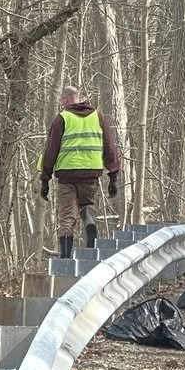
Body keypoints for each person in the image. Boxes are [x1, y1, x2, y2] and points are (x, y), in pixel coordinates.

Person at [40, 86, 120, 258]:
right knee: (87, 205)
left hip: (66, 175)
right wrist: (113, 175)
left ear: (67, 99)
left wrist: (44, 179)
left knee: (67, 217)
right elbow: (110, 146)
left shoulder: (62, 118)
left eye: (63, 100)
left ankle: (66, 257)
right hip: (90, 174)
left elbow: (50, 150)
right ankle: (90, 223)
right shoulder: (98, 117)